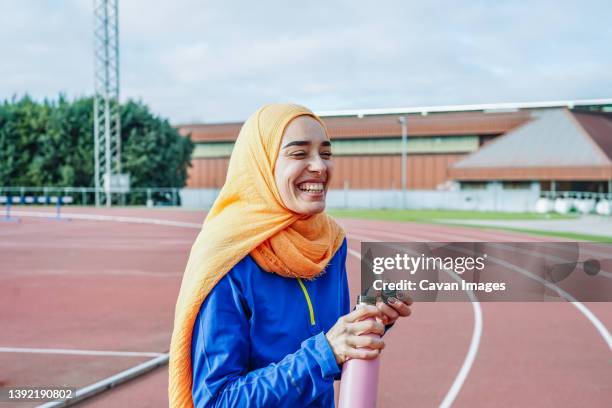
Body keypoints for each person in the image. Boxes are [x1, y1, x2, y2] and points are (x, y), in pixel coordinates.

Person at [169, 104, 412, 407]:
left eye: (325, 153)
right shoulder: (227, 257)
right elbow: (216, 399)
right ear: (262, 166)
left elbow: (330, 360)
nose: (320, 167)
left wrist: (366, 319)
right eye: (299, 154)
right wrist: (324, 352)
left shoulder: (329, 243)